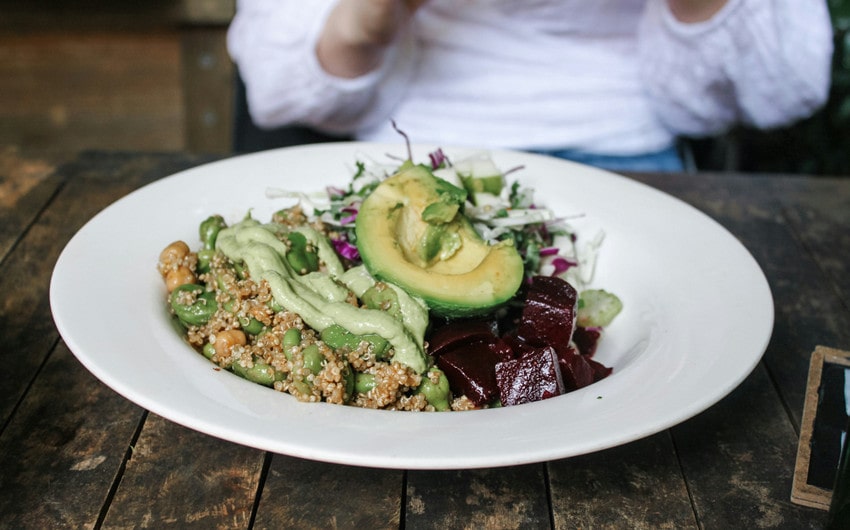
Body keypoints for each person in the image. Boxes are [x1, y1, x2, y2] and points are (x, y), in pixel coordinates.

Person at [227, 0, 834, 172]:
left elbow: (785, 88)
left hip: (626, 148)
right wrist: (372, 14)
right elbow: (276, 91)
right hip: (412, 145)